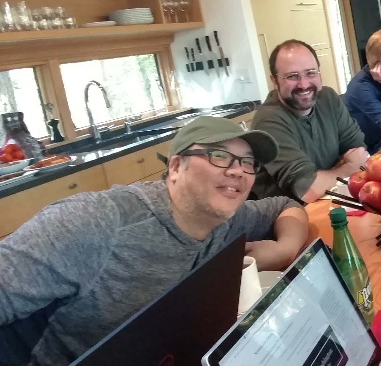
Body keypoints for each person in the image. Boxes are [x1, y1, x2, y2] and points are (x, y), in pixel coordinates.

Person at [0, 116, 310, 365]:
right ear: (176, 167)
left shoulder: (224, 220)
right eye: (219, 156)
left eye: (248, 163)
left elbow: (287, 206)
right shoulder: (96, 222)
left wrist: (284, 249)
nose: (238, 172)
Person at [251, 39, 368, 203]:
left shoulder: (328, 98)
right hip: (289, 217)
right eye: (292, 76)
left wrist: (326, 178)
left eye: (310, 73)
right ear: (274, 81)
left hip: (333, 200)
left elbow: (359, 152)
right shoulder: (268, 122)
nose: (304, 84)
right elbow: (310, 191)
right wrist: (348, 167)